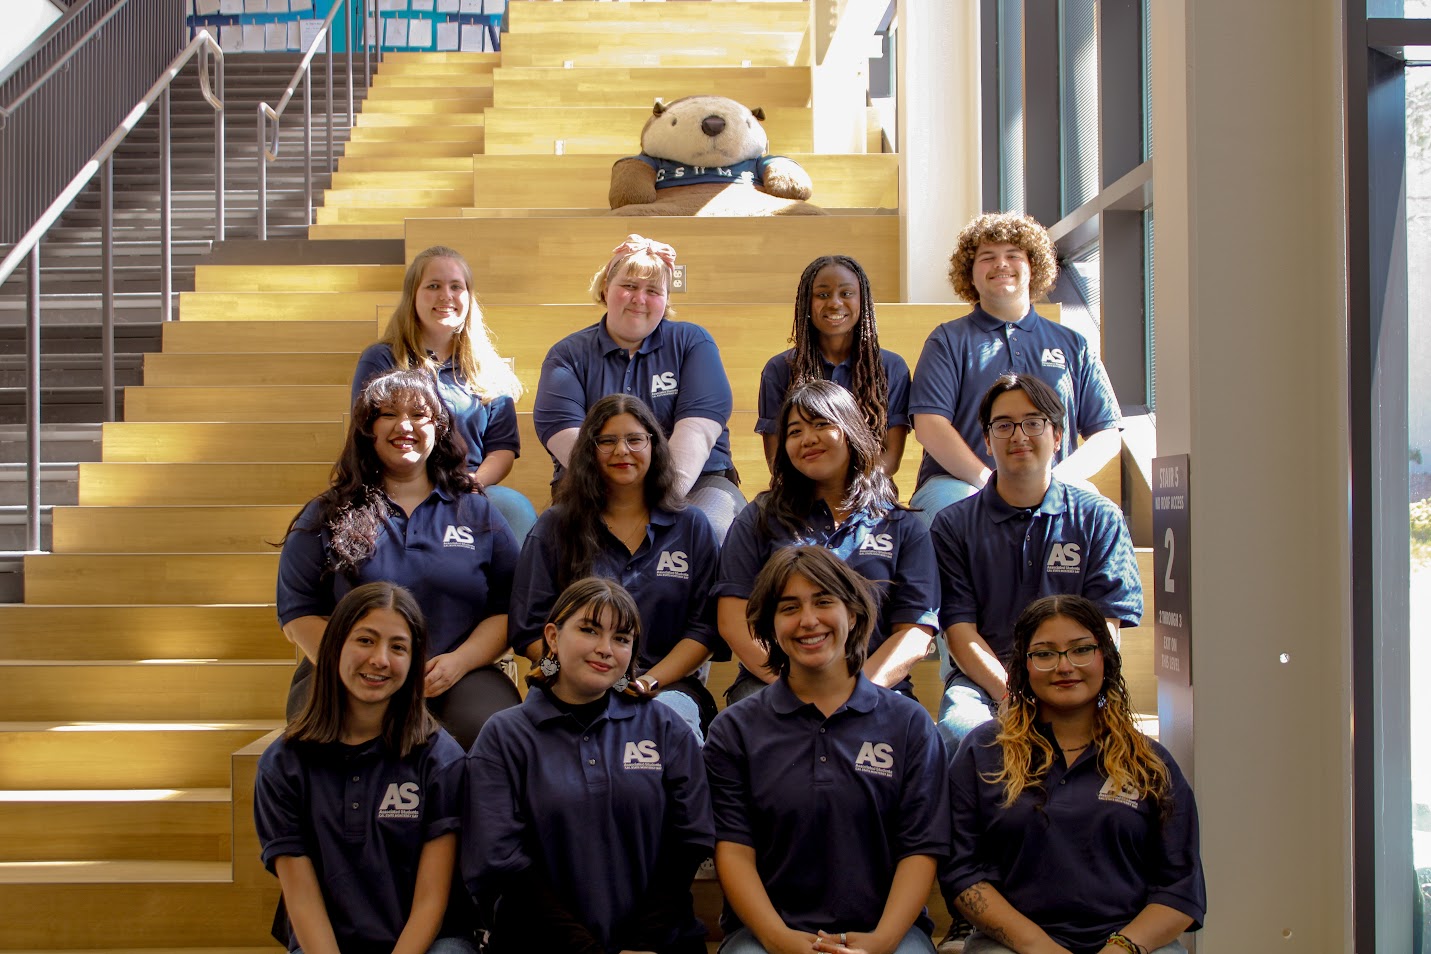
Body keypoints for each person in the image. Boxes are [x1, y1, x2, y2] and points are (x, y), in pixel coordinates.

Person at [704, 546, 949, 954]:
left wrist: (880, 942)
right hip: (765, 937)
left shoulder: (909, 723)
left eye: (823, 601)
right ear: (771, 625)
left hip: (888, 934)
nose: (809, 621)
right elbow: (733, 850)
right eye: (789, 607)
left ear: (852, 614)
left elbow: (920, 849)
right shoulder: (734, 730)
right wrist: (779, 939)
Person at [941, 594, 1205, 954]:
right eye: (1045, 653)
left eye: (1081, 650)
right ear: (1024, 665)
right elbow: (961, 874)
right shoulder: (983, 752)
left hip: (1133, 944)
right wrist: (1037, 946)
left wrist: (1122, 947)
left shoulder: (1149, 762)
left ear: (1105, 658)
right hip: (1013, 945)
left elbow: (1180, 887)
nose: (1065, 667)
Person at [464, 577, 714, 954]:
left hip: (656, 944)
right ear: (552, 636)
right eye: (589, 630)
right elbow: (502, 864)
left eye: (622, 639)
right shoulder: (504, 737)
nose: (605, 649)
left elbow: (690, 841)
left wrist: (642, 942)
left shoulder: (665, 728)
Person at [278, 368, 521, 750]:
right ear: (367, 430)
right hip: (349, 671)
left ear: (439, 428)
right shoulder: (328, 513)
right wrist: (365, 666)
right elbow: (298, 613)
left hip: (454, 673)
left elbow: (509, 606)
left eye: (419, 415)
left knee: (496, 732)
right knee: (331, 740)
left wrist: (459, 662)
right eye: (388, 414)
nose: (404, 425)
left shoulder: (476, 512)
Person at [254, 582, 474, 954]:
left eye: (398, 647)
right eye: (365, 641)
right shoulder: (282, 765)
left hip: (426, 944)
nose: (380, 660)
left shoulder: (442, 759)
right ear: (336, 645)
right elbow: (302, 898)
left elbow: (431, 902)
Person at [929, 373, 1142, 754]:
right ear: (987, 441)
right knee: (964, 735)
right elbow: (959, 634)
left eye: (1033, 423)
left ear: (1058, 436)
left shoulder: (1099, 518)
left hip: (1074, 674)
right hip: (986, 680)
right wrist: (1014, 693)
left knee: (1106, 747)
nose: (1018, 435)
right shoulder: (952, 525)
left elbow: (1106, 627)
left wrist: (1064, 683)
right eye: (1004, 425)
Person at [508, 394, 724, 741]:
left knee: (669, 726)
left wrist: (644, 682)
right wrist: (582, 674)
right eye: (606, 441)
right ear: (589, 451)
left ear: (654, 446)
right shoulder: (555, 526)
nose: (622, 450)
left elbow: (704, 629)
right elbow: (528, 627)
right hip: (572, 683)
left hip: (663, 686)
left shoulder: (691, 526)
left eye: (634, 439)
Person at [715, 380, 939, 706]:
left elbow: (914, 632)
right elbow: (732, 619)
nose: (807, 439)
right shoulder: (759, 518)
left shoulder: (902, 526)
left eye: (821, 424)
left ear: (850, 430)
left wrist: (857, 691)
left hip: (876, 687)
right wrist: (795, 685)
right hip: (772, 686)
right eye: (794, 432)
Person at [908, 212, 1122, 528]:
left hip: (1056, 483)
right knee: (954, 517)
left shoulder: (1074, 344)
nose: (1001, 264)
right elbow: (929, 425)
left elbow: (1107, 434)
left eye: (1013, 255)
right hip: (959, 483)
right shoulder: (948, 340)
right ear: (970, 273)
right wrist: (990, 483)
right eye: (987, 257)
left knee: (1102, 518)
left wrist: (1054, 482)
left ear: (1033, 265)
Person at [532, 233, 745, 539]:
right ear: (606, 289)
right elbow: (565, 435)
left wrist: (653, 503)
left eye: (653, 290)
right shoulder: (566, 355)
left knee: (706, 530)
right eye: (629, 286)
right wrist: (621, 505)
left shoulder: (693, 342)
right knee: (571, 538)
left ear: (666, 300)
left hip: (696, 482)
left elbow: (698, 430)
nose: (639, 299)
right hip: (591, 486)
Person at [352, 245, 537, 544]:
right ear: (413, 295)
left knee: (515, 509)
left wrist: (473, 482)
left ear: (469, 297)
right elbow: (366, 436)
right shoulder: (382, 359)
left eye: (456, 287)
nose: (446, 296)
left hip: (469, 488)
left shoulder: (489, 369)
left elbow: (502, 449)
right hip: (399, 485)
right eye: (433, 286)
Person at [756, 254, 911, 477]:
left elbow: (891, 459)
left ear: (863, 300)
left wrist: (846, 494)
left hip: (870, 495)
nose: (835, 303)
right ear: (807, 303)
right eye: (823, 294)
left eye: (846, 293)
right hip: (802, 498)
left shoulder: (891, 368)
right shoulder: (780, 369)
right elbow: (778, 463)